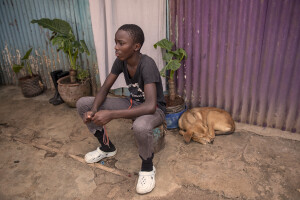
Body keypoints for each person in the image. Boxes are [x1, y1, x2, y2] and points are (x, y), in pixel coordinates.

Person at [76, 24, 166, 194]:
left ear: (136, 47)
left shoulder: (147, 64)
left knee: (140, 126)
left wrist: (111, 114)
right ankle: (107, 147)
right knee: (83, 104)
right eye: (115, 42)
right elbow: (104, 88)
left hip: (155, 110)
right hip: (132, 103)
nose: (116, 47)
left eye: (121, 43)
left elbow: (150, 105)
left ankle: (147, 168)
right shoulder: (121, 61)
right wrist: (94, 109)